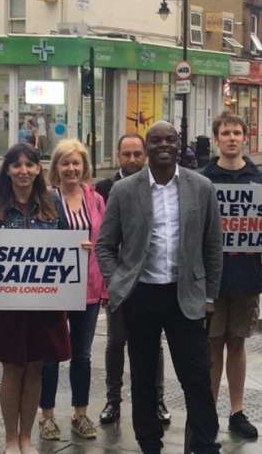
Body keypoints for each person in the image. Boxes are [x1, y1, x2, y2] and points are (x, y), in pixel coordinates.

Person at [95, 121, 223, 454]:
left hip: (186, 295)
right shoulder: (124, 191)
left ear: (179, 145)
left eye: (170, 139)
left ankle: (205, 443)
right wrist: (117, 284)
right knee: (142, 378)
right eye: (156, 140)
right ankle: (149, 443)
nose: (163, 145)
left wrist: (210, 295)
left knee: (196, 376)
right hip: (141, 295)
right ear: (147, 146)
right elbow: (104, 245)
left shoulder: (202, 186)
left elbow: (213, 246)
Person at [199, 112, 262, 438]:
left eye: (237, 132)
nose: (232, 138)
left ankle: (236, 412)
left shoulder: (261, 181)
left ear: (244, 138)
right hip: (211, 279)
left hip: (246, 276)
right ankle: (208, 413)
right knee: (212, 345)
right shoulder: (202, 179)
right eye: (226, 133)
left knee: (237, 343)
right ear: (217, 139)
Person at [0, 143, 71, 454]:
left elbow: (65, 244)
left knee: (35, 368)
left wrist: (78, 252)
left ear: (38, 169)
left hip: (44, 302)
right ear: (8, 170)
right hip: (7, 304)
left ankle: (27, 437)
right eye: (16, 165)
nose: (23, 171)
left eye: (29, 165)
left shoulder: (53, 203)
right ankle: (10, 439)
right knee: (12, 368)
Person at [95, 134, 172, 426]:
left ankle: (158, 399)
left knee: (154, 345)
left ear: (146, 155)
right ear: (117, 156)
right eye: (126, 154)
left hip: (152, 283)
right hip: (120, 281)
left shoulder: (158, 186)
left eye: (137, 154)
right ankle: (113, 399)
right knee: (116, 342)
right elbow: (103, 242)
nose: (132, 160)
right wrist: (112, 282)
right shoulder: (104, 189)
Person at [37, 139, 109, 441]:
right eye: (64, 163)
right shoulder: (47, 199)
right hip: (55, 288)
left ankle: (80, 413)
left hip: (89, 289)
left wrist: (105, 286)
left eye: (76, 163)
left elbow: (105, 245)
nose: (70, 168)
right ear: (56, 167)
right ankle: (47, 416)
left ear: (84, 167)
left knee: (82, 355)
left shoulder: (95, 200)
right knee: (51, 354)